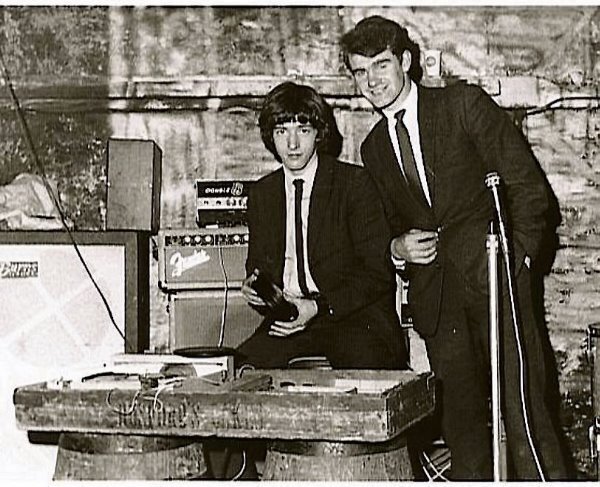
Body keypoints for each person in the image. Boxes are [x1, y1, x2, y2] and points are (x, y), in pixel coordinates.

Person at [340, 15, 568, 480]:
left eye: (381, 65)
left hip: (497, 282)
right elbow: (389, 229)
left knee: (524, 416)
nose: (372, 81)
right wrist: (397, 249)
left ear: (406, 61)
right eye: (360, 72)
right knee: (463, 430)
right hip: (438, 304)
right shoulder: (374, 148)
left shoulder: (462, 104)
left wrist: (519, 261)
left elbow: (529, 189)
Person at [237, 81, 408, 370]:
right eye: (282, 131)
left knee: (361, 376)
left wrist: (318, 307)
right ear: (270, 136)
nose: (292, 144)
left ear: (318, 133)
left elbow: (376, 274)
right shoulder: (262, 193)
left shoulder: (355, 184)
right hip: (291, 318)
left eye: (303, 130)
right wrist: (255, 290)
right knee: (241, 371)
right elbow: (258, 266)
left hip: (353, 318)